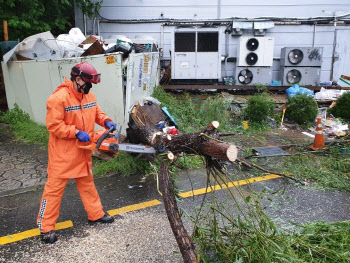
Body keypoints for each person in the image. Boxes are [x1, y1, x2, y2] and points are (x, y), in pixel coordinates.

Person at [37, 62, 117, 244]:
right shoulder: (57, 99)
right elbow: (54, 125)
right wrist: (74, 132)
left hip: (83, 152)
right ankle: (46, 227)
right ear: (78, 79)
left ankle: (96, 214)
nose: (90, 87)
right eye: (88, 83)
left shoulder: (89, 96)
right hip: (62, 155)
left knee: (88, 185)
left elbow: (97, 113)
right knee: (53, 192)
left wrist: (106, 121)